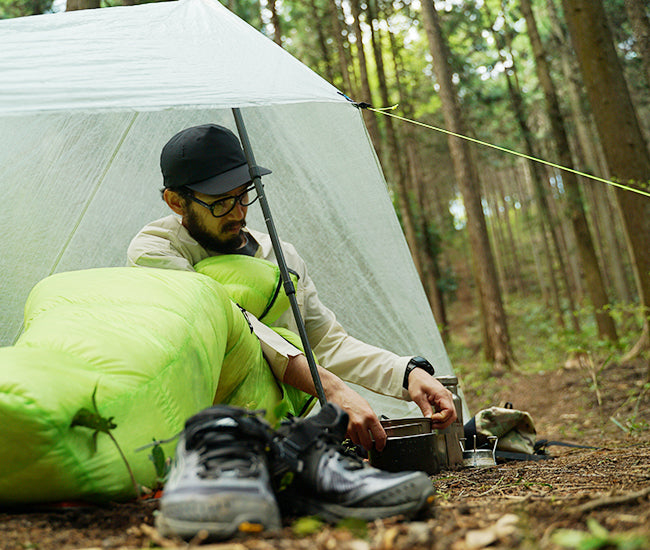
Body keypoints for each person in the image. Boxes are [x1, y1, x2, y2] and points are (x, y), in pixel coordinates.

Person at [127, 123, 457, 452]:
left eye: (243, 194)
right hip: (196, 432)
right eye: (220, 202)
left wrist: (407, 373)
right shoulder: (156, 251)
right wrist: (333, 390)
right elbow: (236, 322)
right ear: (176, 202)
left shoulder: (280, 256)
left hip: (276, 426)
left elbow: (327, 343)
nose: (239, 212)